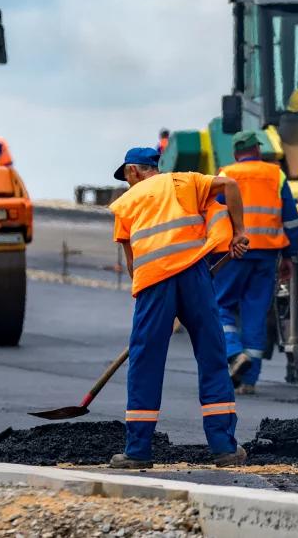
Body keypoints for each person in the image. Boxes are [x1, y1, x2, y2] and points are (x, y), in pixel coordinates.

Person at [107, 146, 250, 469]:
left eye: (127, 176)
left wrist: (154, 308)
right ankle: (225, 448)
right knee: (213, 357)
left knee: (145, 362)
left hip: (154, 283)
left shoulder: (126, 203)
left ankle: (138, 451)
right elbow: (230, 186)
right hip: (195, 275)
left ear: (133, 171)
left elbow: (132, 264)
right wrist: (239, 231)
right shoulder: (184, 182)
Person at [213, 131, 298, 395]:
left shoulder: (225, 173)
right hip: (266, 255)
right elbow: (292, 222)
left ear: (235, 153)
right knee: (255, 314)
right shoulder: (276, 175)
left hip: (232, 253)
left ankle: (233, 353)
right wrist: (290, 254)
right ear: (258, 150)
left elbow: (215, 215)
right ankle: (249, 381)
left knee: (219, 305)